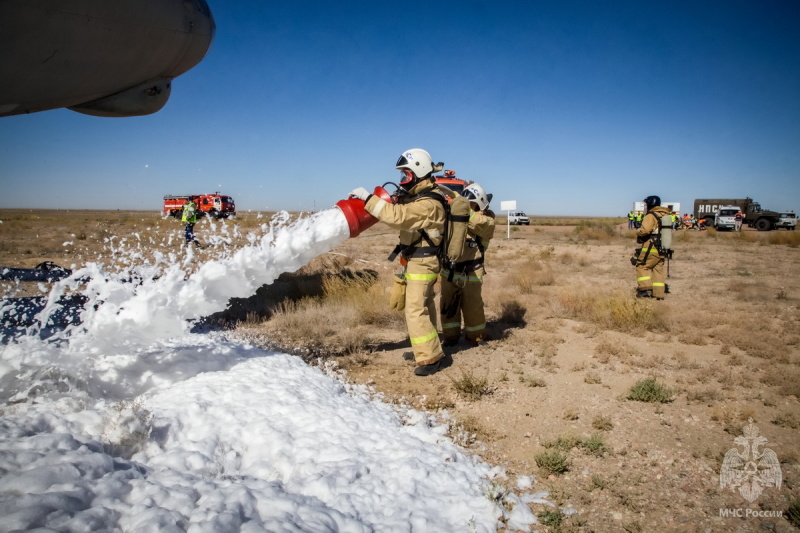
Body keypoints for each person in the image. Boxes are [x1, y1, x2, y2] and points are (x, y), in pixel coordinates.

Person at [349, 148, 449, 376]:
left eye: (407, 175)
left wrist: (367, 199)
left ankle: (430, 359)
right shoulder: (421, 198)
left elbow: (398, 217)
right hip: (416, 260)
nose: (403, 180)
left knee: (415, 309)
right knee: (424, 306)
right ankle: (423, 349)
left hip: (424, 262)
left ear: (419, 171)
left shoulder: (429, 204)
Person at [439, 182, 495, 347]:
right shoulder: (454, 217)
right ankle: (450, 337)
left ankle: (475, 337)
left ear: (479, 204)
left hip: (471, 272)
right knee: (448, 307)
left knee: (473, 308)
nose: (463, 206)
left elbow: (477, 223)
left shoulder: (487, 221)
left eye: (469, 204)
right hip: (449, 271)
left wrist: (460, 204)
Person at [632, 195, 671, 300]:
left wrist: (638, 231)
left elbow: (645, 230)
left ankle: (645, 290)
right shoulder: (664, 214)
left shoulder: (651, 215)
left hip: (652, 246)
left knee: (641, 266)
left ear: (650, 204)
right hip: (663, 247)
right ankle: (659, 294)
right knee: (658, 269)